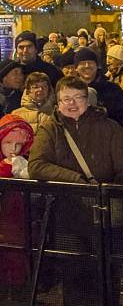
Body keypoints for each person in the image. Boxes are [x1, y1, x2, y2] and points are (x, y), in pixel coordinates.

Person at [28, 76, 123, 304]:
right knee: (74, 278)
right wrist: (75, 180)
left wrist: (112, 197)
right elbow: (37, 165)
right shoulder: (50, 129)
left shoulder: (109, 128)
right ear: (57, 102)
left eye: (77, 97)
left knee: (107, 277)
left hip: (106, 218)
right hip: (69, 216)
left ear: (87, 100)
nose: (71, 103)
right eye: (65, 98)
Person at [0, 115, 34, 296]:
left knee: (16, 251)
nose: (13, 149)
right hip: (7, 213)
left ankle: (17, 289)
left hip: (16, 215)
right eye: (8, 143)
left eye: (18, 144)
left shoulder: (20, 162)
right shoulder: (9, 165)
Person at [74, 47, 123, 126]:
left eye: (90, 62)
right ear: (76, 68)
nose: (87, 65)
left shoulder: (112, 89)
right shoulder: (70, 90)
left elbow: (122, 117)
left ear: (97, 66)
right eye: (82, 63)